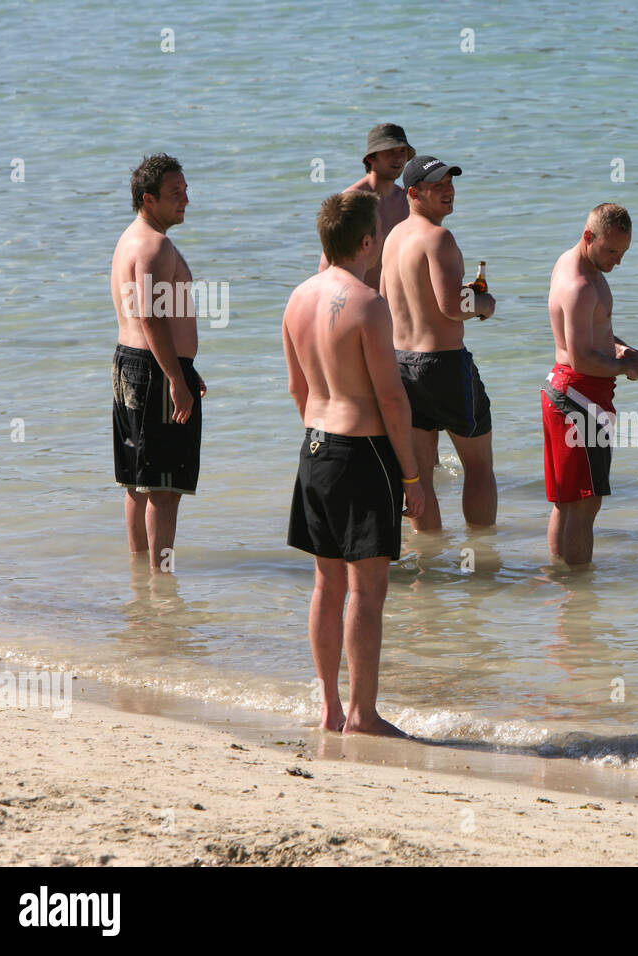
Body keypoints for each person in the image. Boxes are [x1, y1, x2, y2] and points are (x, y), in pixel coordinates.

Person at [283, 190, 426, 737]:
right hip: (363, 452)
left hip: (315, 447)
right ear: (367, 241)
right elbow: (392, 399)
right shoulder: (368, 304)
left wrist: (321, 439)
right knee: (367, 592)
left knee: (326, 585)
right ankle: (363, 715)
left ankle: (329, 708)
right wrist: (412, 476)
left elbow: (298, 388)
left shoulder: (297, 299)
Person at [379, 155, 497, 531]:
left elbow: (386, 300)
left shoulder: (394, 237)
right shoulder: (439, 237)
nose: (448, 190)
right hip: (444, 365)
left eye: (450, 182)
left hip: (402, 363)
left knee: (420, 476)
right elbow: (451, 306)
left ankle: (427, 564)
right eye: (437, 186)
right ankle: (482, 556)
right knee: (478, 466)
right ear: (413, 193)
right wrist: (483, 305)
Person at [110, 153, 205, 572]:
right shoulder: (154, 245)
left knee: (137, 482)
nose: (186, 200)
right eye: (175, 193)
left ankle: (141, 576)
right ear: (149, 199)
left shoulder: (130, 238)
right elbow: (151, 316)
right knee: (164, 490)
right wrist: (176, 378)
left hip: (131, 364)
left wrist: (187, 369)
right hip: (154, 370)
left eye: (184, 190)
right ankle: (161, 578)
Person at [542, 203, 638, 566]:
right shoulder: (582, 285)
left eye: (623, 252)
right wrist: (627, 368)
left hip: (563, 393)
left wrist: (620, 347)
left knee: (566, 502)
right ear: (589, 236)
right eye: (611, 250)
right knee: (586, 504)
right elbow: (581, 358)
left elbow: (590, 334)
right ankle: (578, 596)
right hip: (579, 399)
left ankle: (561, 584)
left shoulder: (568, 261)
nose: (617, 261)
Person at [318, 123, 415, 290]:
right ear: (371, 158)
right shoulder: (352, 201)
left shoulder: (407, 201)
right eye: (390, 151)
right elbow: (327, 263)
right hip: (357, 301)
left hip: (394, 305)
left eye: (402, 151)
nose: (398, 158)